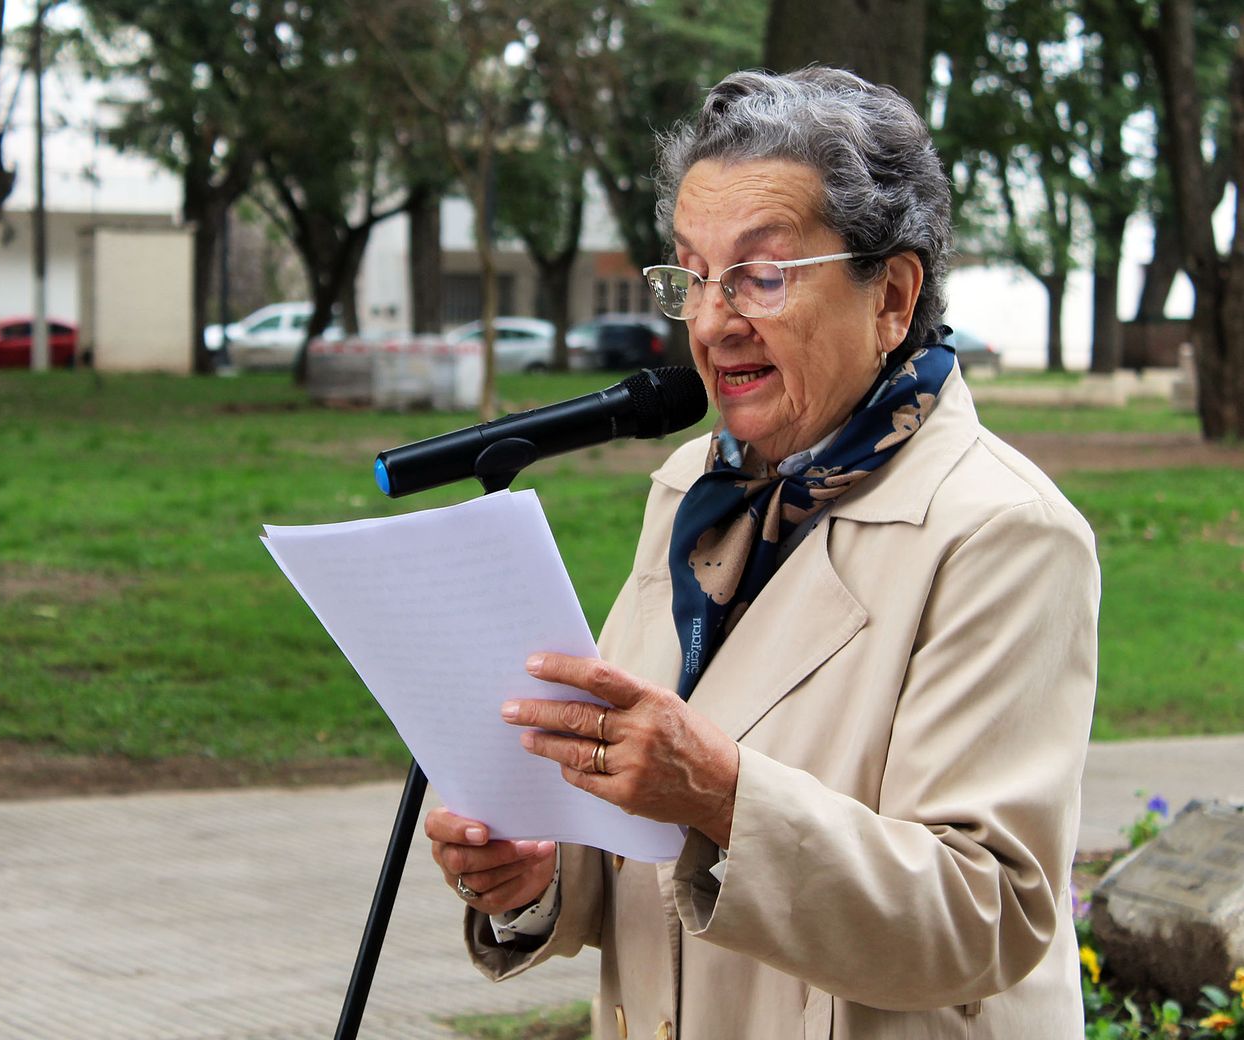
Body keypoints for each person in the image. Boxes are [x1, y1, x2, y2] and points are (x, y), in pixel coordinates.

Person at [425, 67, 1100, 1039]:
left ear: (892, 296)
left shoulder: (1004, 532)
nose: (709, 321)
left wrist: (726, 793)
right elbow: (652, 832)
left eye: (762, 275)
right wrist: (542, 871)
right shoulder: (694, 493)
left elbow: (986, 916)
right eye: (692, 276)